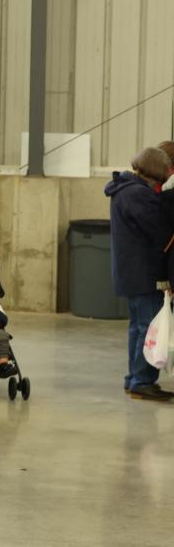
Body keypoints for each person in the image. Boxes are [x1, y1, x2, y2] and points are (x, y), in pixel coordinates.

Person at [105, 147, 174, 401]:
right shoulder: (138, 194)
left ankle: (134, 378)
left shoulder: (125, 189)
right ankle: (142, 381)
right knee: (148, 328)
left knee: (137, 327)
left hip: (131, 272)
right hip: (143, 272)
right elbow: (158, 230)